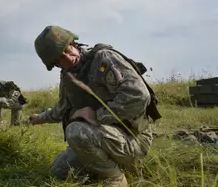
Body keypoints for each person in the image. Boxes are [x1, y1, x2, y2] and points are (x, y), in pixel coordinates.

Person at [28, 25, 161, 187]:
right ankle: (111, 164)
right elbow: (61, 109)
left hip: (133, 138)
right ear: (54, 64)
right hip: (104, 137)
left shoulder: (103, 59)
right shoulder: (68, 76)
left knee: (75, 131)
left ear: (73, 43)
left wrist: (97, 115)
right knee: (60, 169)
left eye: (67, 50)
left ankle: (115, 177)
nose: (67, 59)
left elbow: (138, 95)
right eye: (59, 59)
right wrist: (38, 119)